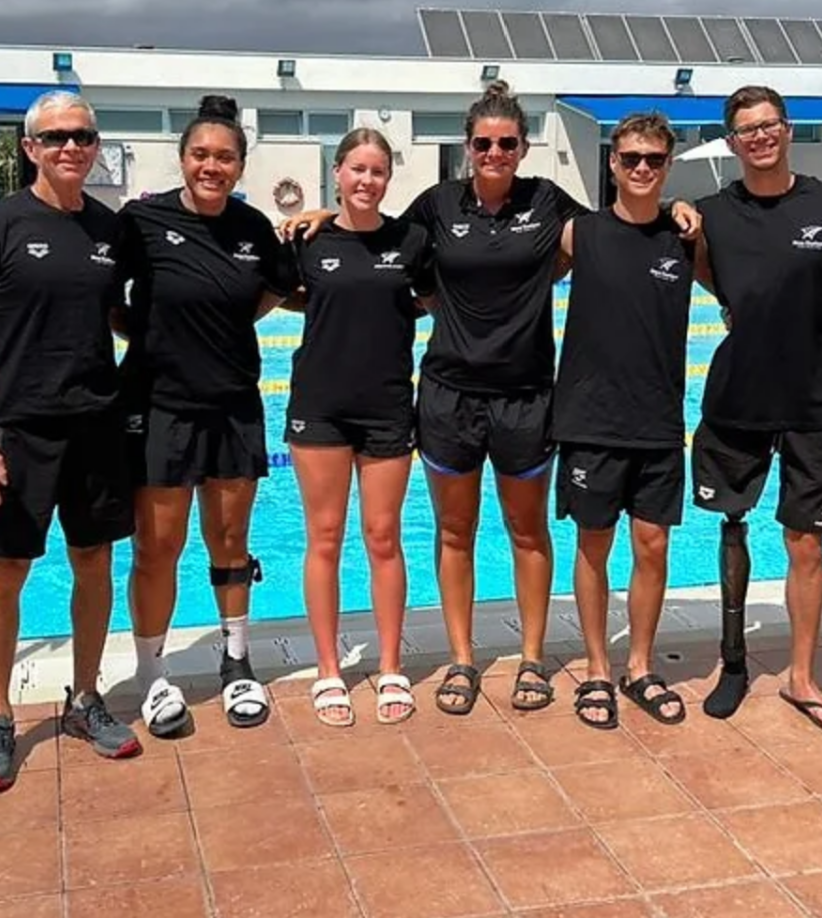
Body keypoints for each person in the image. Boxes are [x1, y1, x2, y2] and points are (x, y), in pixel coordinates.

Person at [285, 82, 699, 716]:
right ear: (468, 146)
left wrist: (673, 205)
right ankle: (461, 658)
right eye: (484, 143)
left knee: (527, 532)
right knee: (455, 531)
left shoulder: (548, 202)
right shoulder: (436, 206)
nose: (495, 152)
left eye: (507, 143)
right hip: (449, 394)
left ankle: (532, 658)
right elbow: (375, 238)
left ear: (523, 147)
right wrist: (319, 216)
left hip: (528, 395)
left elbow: (616, 224)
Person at [0, 91, 139, 792]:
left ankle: (84, 698)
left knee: (93, 563)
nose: (70, 147)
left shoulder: (109, 229)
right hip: (19, 431)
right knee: (7, 571)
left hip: (97, 426)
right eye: (55, 136)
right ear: (29, 147)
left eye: (83, 135)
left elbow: (117, 318)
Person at [116, 94, 294, 737]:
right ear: (183, 158)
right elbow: (111, 301)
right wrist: (152, 336)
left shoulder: (252, 229)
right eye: (200, 154)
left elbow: (275, 286)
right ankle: (151, 674)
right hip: (159, 405)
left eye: (224, 156)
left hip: (233, 404)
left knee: (230, 541)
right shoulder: (142, 221)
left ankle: (237, 662)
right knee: (158, 546)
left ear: (241, 165)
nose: (211, 166)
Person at [691, 86, 822, 734]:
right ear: (732, 142)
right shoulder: (708, 213)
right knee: (731, 521)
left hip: (818, 398)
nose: (758, 137)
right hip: (740, 393)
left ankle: (802, 677)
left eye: (768, 125)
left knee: (805, 540)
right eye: (745, 129)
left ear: (787, 130)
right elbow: (704, 269)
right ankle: (733, 661)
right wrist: (739, 298)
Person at [283, 128, 430, 727]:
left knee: (383, 537)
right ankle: (327, 669)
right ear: (337, 173)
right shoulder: (307, 241)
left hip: (388, 405)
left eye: (377, 171)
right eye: (357, 170)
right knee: (324, 537)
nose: (367, 181)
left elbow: (438, 300)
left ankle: (391, 664)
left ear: (388, 178)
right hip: (319, 405)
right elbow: (282, 295)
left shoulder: (412, 241)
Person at [553, 111, 692, 730]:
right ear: (612, 162)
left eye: (653, 160)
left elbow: (751, 286)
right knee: (593, 544)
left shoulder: (686, 237)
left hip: (658, 421)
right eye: (630, 158)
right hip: (590, 420)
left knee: (653, 545)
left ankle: (638, 664)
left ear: (667, 166)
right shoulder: (579, 233)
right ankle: (595, 667)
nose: (640, 169)